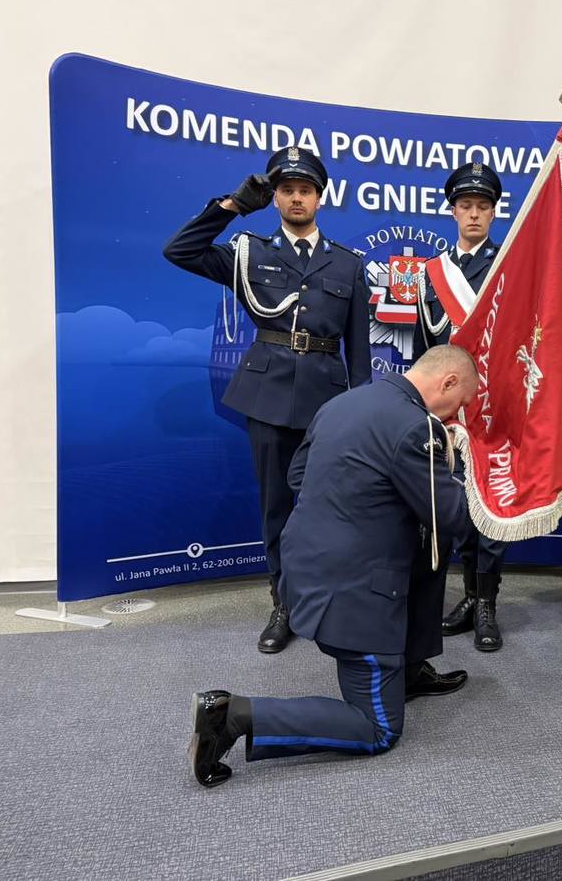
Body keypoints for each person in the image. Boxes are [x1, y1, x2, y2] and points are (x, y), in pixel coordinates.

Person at [189, 346, 477, 788]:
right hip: (354, 593)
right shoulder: (415, 428)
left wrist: (362, 509)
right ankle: (231, 715)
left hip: (305, 568)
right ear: (448, 382)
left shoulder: (342, 403)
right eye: (461, 402)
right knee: (378, 728)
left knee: (422, 550)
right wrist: (468, 471)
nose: (458, 414)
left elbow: (298, 477)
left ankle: (407, 671)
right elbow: (453, 514)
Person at [163, 147, 371, 655]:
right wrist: (233, 206)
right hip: (269, 396)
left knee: (330, 505)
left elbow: (359, 348)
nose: (297, 198)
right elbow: (180, 250)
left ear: (320, 198)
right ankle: (284, 604)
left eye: (306, 190)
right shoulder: (249, 252)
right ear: (274, 197)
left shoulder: (347, 263)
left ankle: (326, 595)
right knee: (276, 505)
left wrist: (363, 411)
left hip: (327, 400)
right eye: (287, 190)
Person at [413, 163, 509, 653]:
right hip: (448, 412)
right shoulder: (432, 273)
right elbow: (423, 349)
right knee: (457, 507)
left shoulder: (509, 264)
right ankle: (467, 597)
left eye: (483, 206)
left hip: (494, 408)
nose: (474, 213)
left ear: (494, 213)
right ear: (452, 211)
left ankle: (487, 602)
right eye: (465, 205)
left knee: (491, 509)